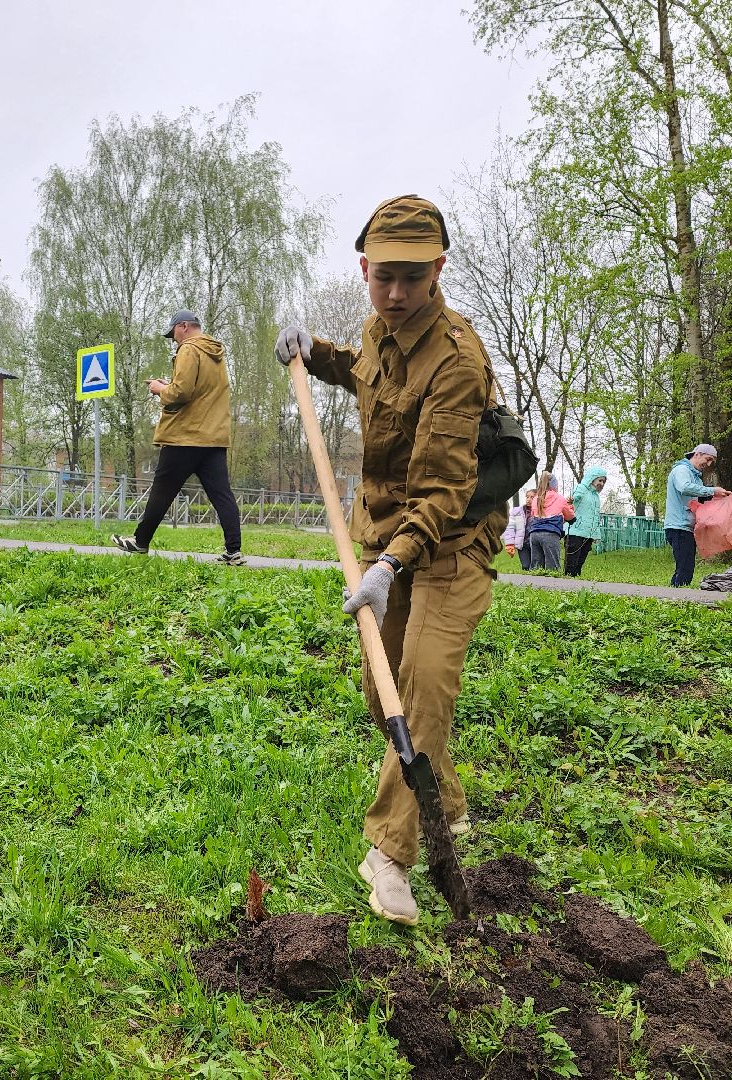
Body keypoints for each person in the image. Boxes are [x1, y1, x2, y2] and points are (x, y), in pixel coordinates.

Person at [274, 194, 506, 926]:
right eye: (384, 278)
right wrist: (318, 352)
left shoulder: (459, 360)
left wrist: (390, 566)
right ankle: (446, 798)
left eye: (413, 278)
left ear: (438, 269)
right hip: (382, 538)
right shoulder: (381, 329)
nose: (398, 294)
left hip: (446, 546)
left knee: (422, 686)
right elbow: (368, 373)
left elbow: (443, 492)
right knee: (384, 697)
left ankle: (391, 852)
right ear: (365, 269)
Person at [111, 311, 244, 565]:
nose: (174, 340)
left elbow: (181, 393)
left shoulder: (188, 349)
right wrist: (170, 384)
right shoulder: (215, 352)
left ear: (183, 327)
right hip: (213, 437)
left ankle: (140, 542)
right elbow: (200, 391)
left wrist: (160, 388)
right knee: (221, 494)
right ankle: (233, 551)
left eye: (173, 334)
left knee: (162, 491)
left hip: (185, 436)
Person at [663, 443, 731, 587]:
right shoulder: (682, 470)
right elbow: (684, 487)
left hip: (687, 527)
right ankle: (676, 597)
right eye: (708, 459)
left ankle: (675, 593)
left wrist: (718, 497)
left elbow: (697, 498)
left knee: (686, 567)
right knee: (684, 568)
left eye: (712, 461)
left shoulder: (695, 476)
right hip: (678, 526)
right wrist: (712, 490)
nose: (709, 464)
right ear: (697, 454)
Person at [564, 466, 608, 576]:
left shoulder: (596, 497)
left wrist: (596, 534)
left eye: (603, 481)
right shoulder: (581, 488)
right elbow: (573, 499)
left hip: (588, 534)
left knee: (580, 561)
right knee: (572, 561)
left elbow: (595, 516)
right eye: (600, 480)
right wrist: (572, 499)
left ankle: (576, 582)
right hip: (576, 531)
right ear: (592, 479)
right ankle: (567, 582)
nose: (601, 484)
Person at [525, 472, 574, 571]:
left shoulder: (536, 499)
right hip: (550, 534)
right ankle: (552, 585)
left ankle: (533, 585)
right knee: (552, 566)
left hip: (534, 534)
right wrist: (571, 514)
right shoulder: (559, 498)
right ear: (554, 484)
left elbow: (534, 515)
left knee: (536, 565)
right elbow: (569, 515)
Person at [501, 495, 527, 562]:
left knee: (535, 566)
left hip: (534, 543)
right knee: (525, 566)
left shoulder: (540, 511)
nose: (529, 499)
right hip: (522, 543)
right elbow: (510, 528)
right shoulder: (517, 512)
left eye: (532, 497)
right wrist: (509, 544)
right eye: (527, 497)